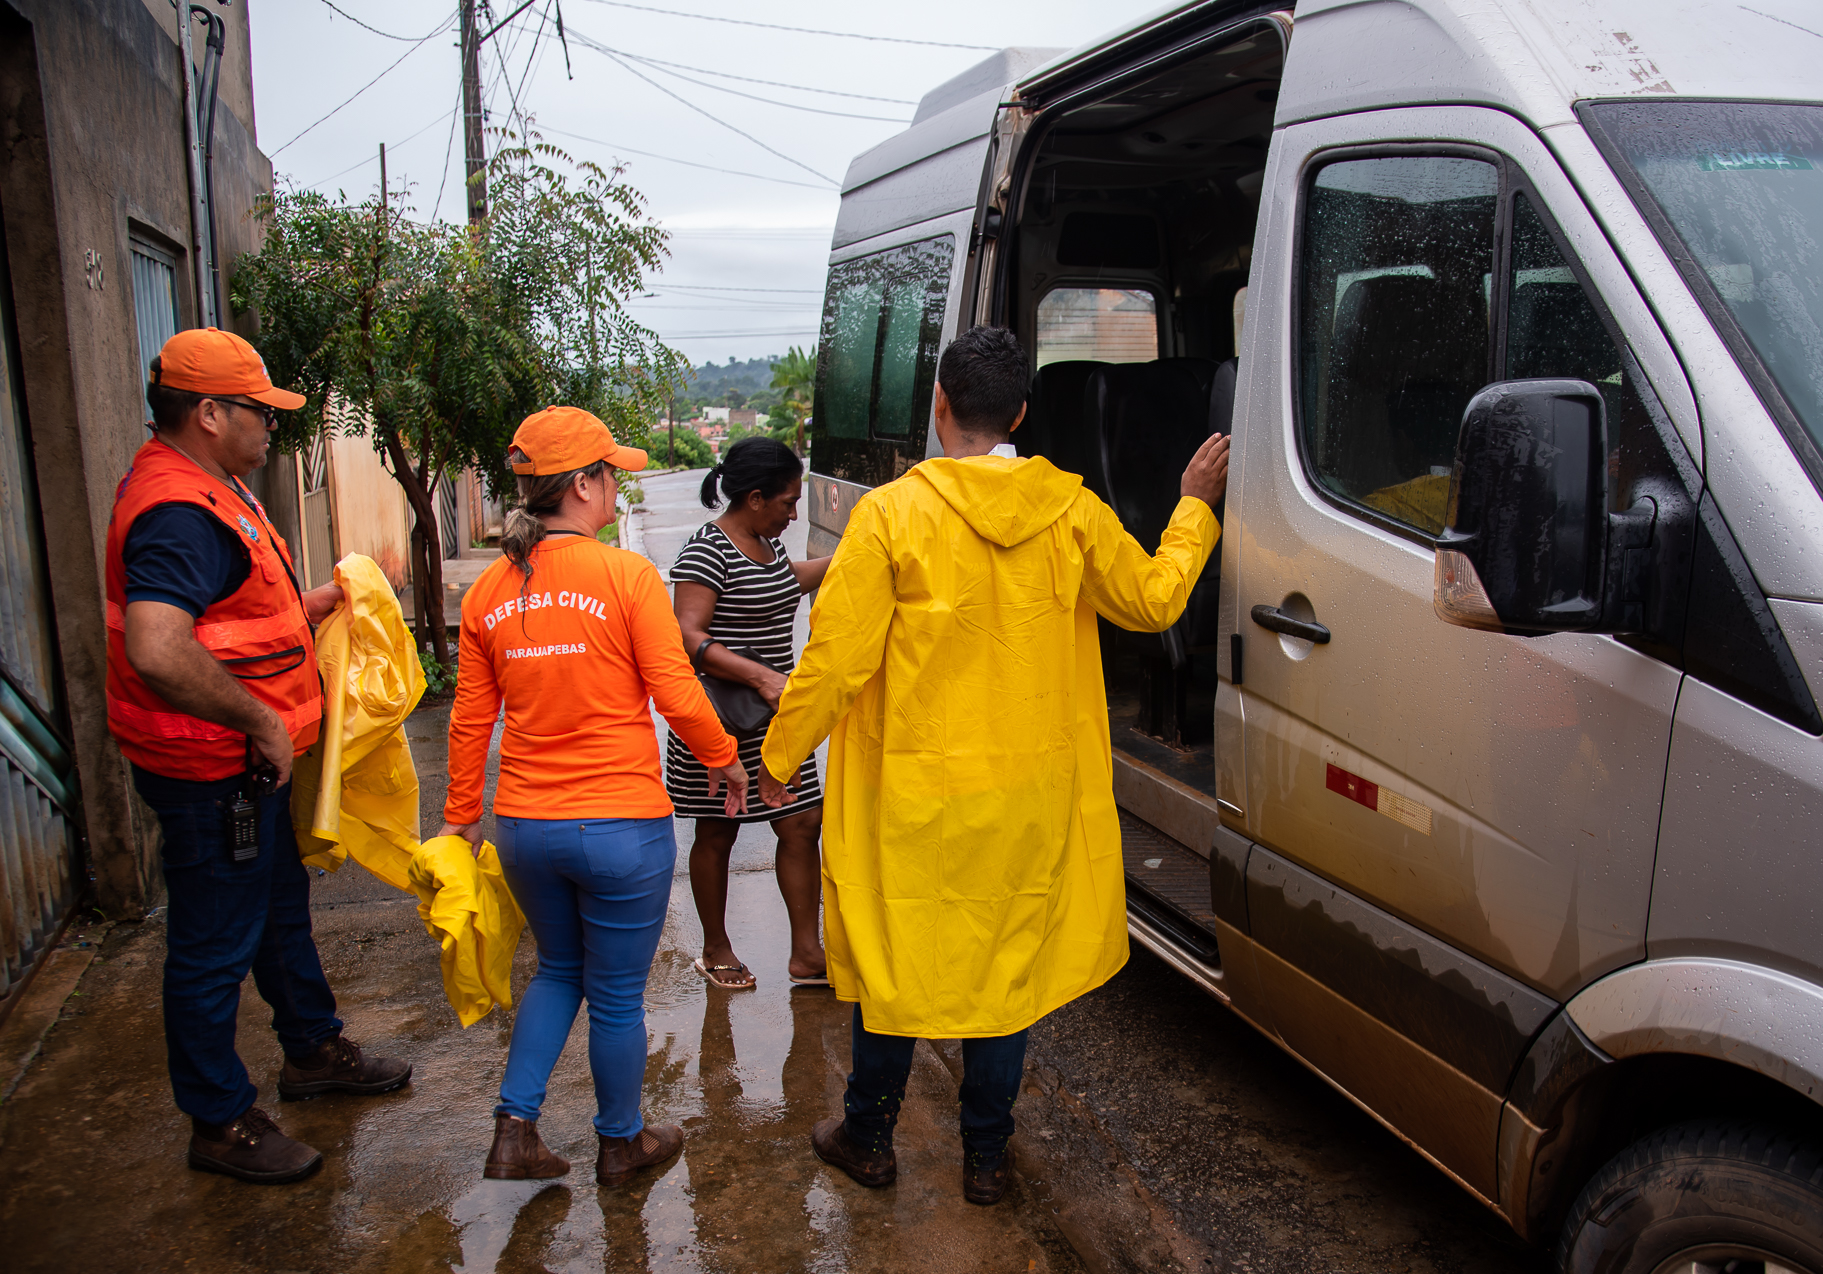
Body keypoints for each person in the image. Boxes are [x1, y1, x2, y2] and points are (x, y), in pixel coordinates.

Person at [757, 326, 1230, 1204]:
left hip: (916, 794)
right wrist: (1193, 504)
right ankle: (985, 1159)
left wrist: (780, 756)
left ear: (940, 405)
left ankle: (869, 1138)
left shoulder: (890, 516)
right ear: (1019, 414)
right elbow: (1154, 599)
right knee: (1004, 976)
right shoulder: (1072, 510)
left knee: (895, 964)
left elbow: (833, 662)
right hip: (1027, 795)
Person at [105, 327, 412, 1185]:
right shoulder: (178, 509)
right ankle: (220, 1121)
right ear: (209, 413)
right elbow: (158, 646)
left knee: (279, 910)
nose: (273, 427)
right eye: (261, 412)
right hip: (211, 769)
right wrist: (260, 721)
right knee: (213, 944)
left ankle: (312, 1047)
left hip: (245, 766)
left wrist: (315, 606)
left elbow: (231, 618)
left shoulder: (213, 487)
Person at [439, 405, 748, 1188]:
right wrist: (726, 759)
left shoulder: (488, 592)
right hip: (618, 827)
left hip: (526, 827)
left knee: (557, 971)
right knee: (614, 996)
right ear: (581, 485)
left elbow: (470, 717)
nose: (617, 488)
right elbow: (676, 692)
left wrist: (460, 817)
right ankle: (621, 1143)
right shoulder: (625, 576)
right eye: (610, 475)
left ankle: (515, 1131)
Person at [667, 436, 832, 991]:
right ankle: (715, 949)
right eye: (788, 502)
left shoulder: (768, 543)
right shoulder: (706, 550)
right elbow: (686, 635)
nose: (793, 514)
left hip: (776, 718)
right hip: (720, 721)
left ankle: (806, 953)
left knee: (802, 822)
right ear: (755, 498)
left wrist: (846, 560)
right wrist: (761, 676)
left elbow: (784, 583)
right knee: (718, 831)